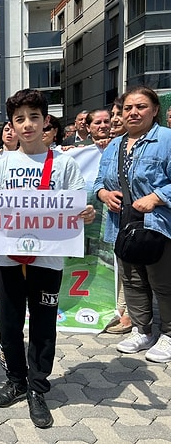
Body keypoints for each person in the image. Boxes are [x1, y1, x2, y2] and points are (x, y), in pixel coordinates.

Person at [0, 89, 95, 428]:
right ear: (11, 125)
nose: (27, 124)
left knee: (43, 323)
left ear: (45, 122)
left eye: (33, 118)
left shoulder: (65, 165)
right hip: (9, 259)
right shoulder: (0, 165)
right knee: (9, 325)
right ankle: (16, 380)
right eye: (19, 119)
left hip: (48, 260)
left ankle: (38, 387)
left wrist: (86, 214)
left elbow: (77, 208)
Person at [93, 86, 171, 363]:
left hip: (157, 225)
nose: (133, 112)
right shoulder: (114, 144)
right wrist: (103, 193)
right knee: (133, 280)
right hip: (123, 225)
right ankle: (142, 330)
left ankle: (169, 334)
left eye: (141, 107)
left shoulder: (166, 139)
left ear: (155, 110)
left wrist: (158, 197)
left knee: (162, 282)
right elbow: (98, 181)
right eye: (128, 108)